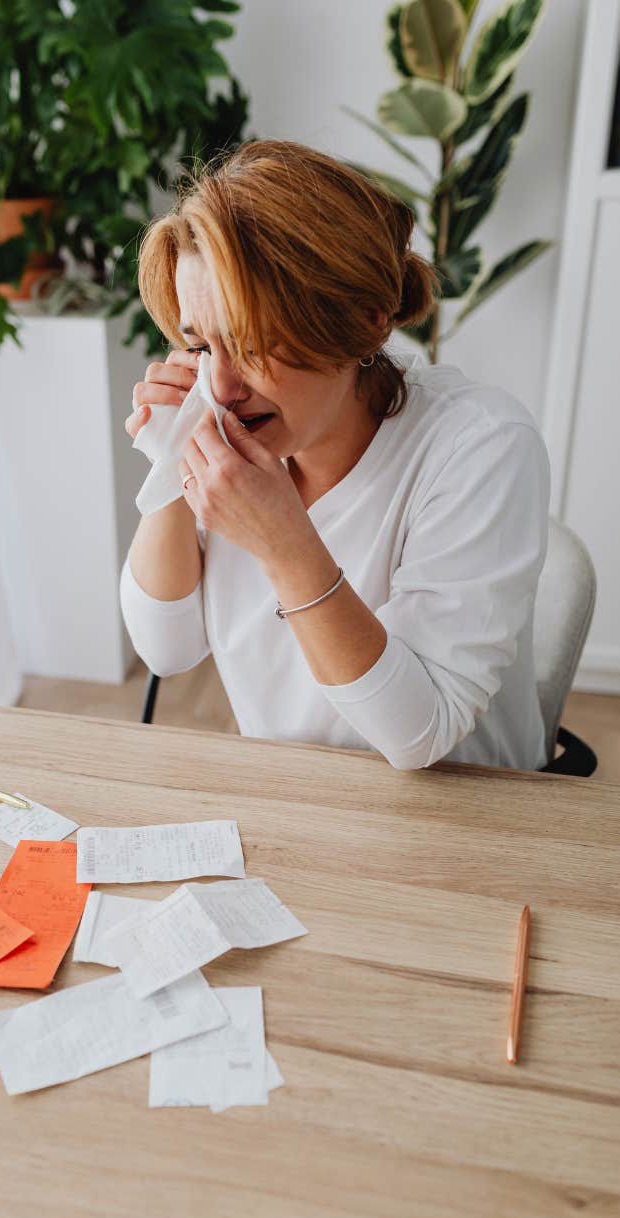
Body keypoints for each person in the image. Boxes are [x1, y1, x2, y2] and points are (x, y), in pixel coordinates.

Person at [120, 139, 550, 771]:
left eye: (255, 340)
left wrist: (283, 541)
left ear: (369, 323)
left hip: (466, 822)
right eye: (205, 347)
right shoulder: (227, 426)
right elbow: (166, 650)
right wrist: (172, 460)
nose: (224, 388)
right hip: (301, 805)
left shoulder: (481, 446)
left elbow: (419, 734)